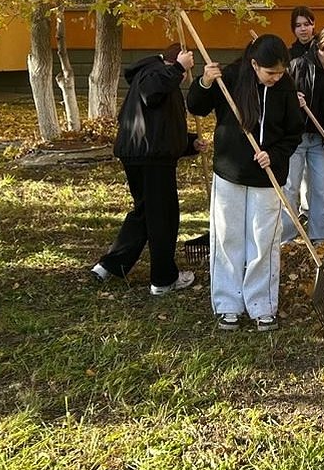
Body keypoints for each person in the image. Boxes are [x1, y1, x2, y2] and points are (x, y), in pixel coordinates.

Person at [188, 34, 303, 332]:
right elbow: (196, 106)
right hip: (230, 173)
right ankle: (228, 303)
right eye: (270, 73)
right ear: (254, 64)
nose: (276, 78)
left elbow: (293, 133)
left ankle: (261, 304)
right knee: (227, 236)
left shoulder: (285, 86)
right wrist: (205, 82)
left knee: (263, 240)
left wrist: (275, 156)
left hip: (268, 177)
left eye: (281, 72)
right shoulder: (229, 78)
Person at [90, 44, 206, 295]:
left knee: (145, 213)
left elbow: (159, 124)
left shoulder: (156, 75)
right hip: (151, 159)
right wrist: (177, 68)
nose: (187, 74)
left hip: (141, 153)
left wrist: (189, 143)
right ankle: (164, 280)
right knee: (163, 216)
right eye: (188, 65)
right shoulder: (154, 73)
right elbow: (150, 93)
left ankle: (109, 265)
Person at [281, 25, 324, 244]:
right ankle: (287, 239)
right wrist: (294, 102)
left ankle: (319, 238)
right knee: (290, 187)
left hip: (321, 141)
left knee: (322, 188)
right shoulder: (297, 66)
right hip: (295, 139)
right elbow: (278, 100)